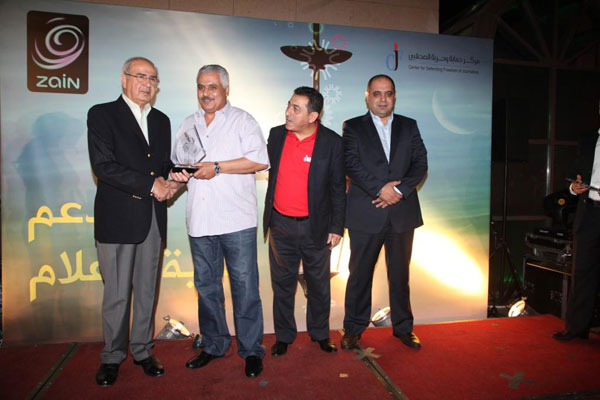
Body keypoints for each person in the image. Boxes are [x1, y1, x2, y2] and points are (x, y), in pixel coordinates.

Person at [170, 65, 269, 378]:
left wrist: (217, 166)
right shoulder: (188, 123)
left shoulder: (243, 120)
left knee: (245, 288)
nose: (206, 93)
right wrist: (176, 176)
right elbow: (181, 163)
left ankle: (251, 350)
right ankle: (214, 345)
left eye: (212, 87)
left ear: (226, 89)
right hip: (200, 221)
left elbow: (260, 159)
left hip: (236, 220)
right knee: (206, 288)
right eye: (201, 87)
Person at [88, 57, 176, 387]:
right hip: (118, 218)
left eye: (153, 78)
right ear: (124, 79)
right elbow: (103, 166)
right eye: (140, 76)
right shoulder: (102, 114)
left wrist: (175, 179)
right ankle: (112, 356)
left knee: (147, 291)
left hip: (152, 218)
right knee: (116, 294)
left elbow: (162, 165)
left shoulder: (161, 120)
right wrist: (151, 184)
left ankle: (142, 350)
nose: (147, 83)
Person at [341, 74, 428, 351]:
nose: (383, 99)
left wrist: (399, 191)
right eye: (377, 93)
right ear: (367, 96)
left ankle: (404, 328)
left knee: (400, 275)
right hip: (366, 212)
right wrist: (380, 189)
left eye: (388, 93)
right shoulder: (353, 126)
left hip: (402, 213)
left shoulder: (409, 126)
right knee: (359, 274)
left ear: (394, 96)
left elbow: (420, 163)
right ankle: (353, 328)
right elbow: (350, 164)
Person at [263, 86, 346, 357]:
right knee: (282, 285)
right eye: (289, 105)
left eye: (296, 108)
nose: (288, 112)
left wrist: (337, 227)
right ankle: (284, 336)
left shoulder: (332, 142)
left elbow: (338, 188)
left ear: (313, 116)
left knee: (319, 285)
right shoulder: (277, 135)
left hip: (316, 227)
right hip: (280, 225)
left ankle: (320, 334)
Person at [553, 101, 600, 341]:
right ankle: (576, 328)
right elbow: (573, 175)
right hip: (589, 212)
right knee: (582, 272)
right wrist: (573, 188)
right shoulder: (588, 140)